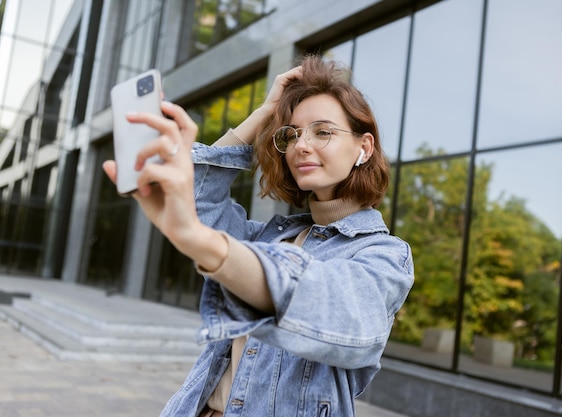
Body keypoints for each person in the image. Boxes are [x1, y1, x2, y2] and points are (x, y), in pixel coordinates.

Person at [103, 55, 414, 417]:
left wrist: (205, 243)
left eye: (323, 131)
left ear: (364, 147)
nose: (301, 145)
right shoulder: (270, 238)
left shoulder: (384, 255)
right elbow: (199, 202)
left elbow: (331, 306)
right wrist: (265, 112)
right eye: (292, 134)